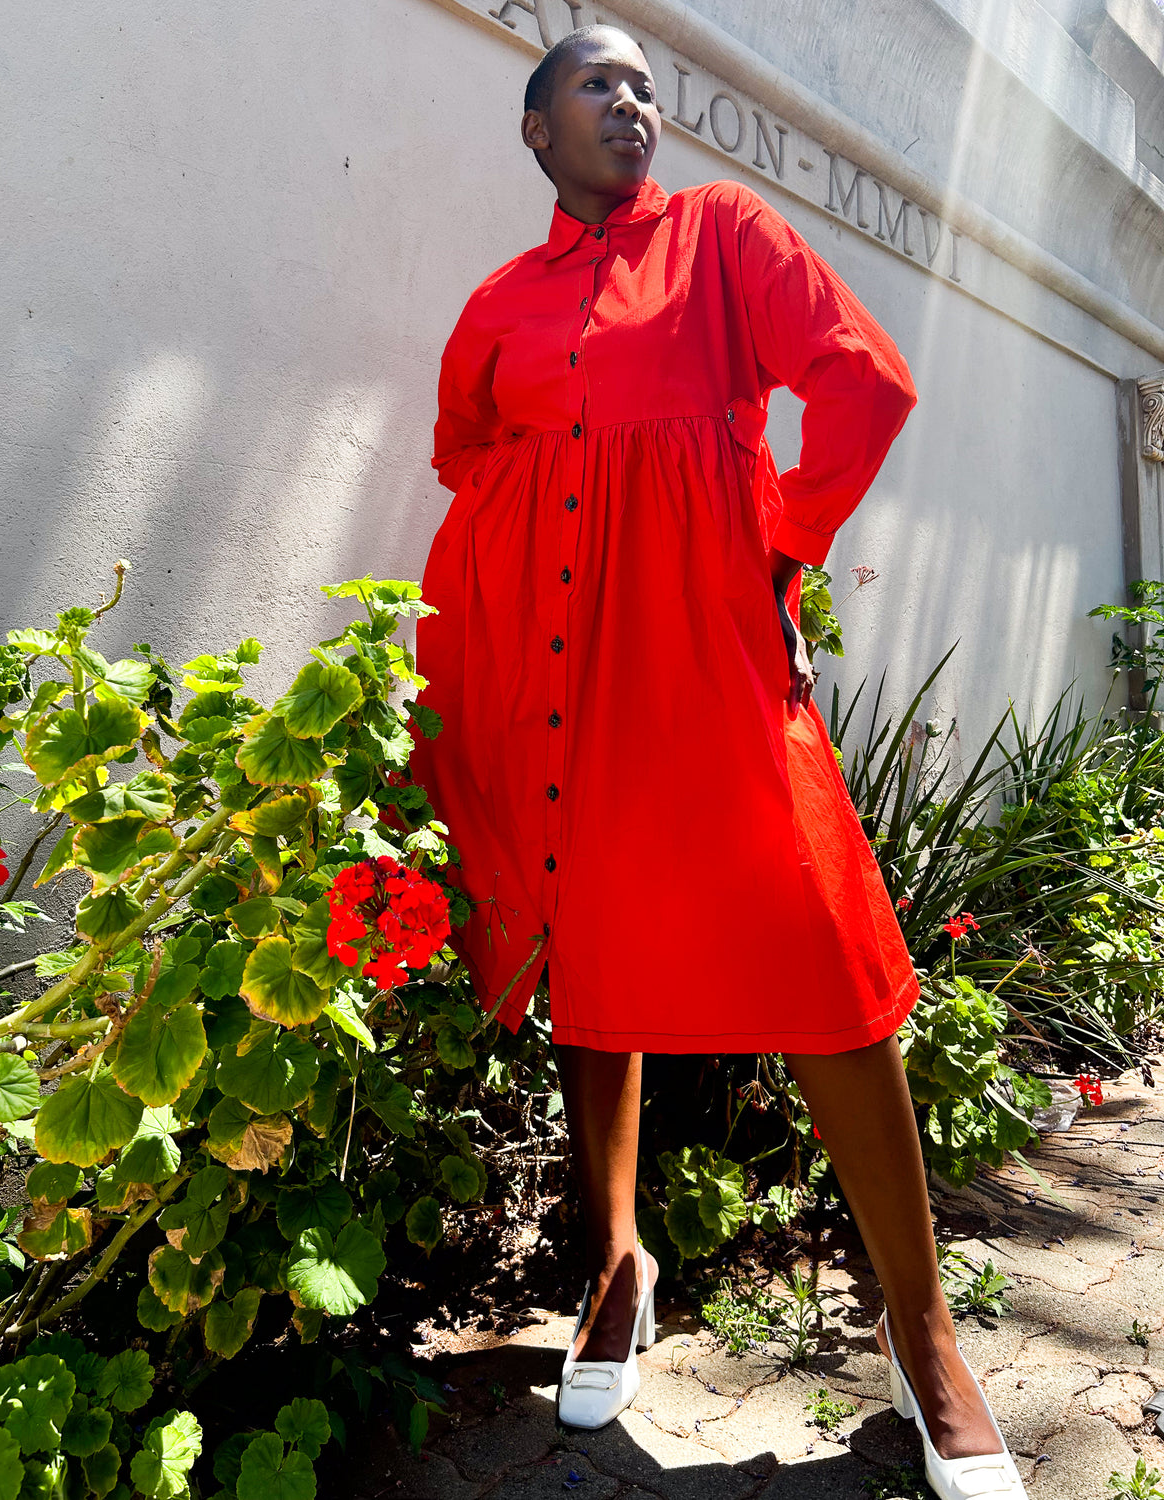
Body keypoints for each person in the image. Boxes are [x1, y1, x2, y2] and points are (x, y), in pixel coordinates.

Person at [411, 23, 1026, 1500]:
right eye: (594, 85)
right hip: (546, 673)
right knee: (586, 952)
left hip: (706, 658)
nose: (633, 102)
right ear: (535, 132)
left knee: (820, 952)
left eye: (643, 83)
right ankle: (617, 1263)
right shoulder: (498, 301)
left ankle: (923, 1332)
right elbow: (472, 462)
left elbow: (862, 383)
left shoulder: (723, 240)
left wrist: (774, 548)